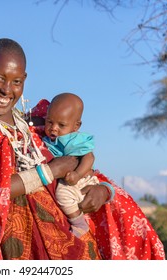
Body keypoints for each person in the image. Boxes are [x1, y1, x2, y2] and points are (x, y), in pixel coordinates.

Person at [0, 38, 165, 260]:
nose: (6, 90)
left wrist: (104, 191)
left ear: (25, 80)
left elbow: (83, 166)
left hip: (75, 243)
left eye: (16, 81)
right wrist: (49, 172)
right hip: (19, 250)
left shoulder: (42, 125)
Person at [42, 92, 98, 237]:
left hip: (80, 179)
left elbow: (89, 157)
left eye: (61, 125)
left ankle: (79, 224)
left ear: (76, 126)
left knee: (63, 194)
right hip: (73, 177)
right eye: (49, 122)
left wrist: (77, 174)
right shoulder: (51, 136)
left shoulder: (72, 140)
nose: (53, 128)